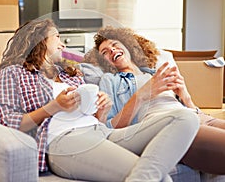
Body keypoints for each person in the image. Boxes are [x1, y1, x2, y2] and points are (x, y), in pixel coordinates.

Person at [0, 18, 199, 182]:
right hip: (64, 141)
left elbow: (95, 120)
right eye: (57, 37)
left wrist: (101, 110)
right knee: (160, 177)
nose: (62, 44)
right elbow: (5, 122)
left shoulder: (70, 74)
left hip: (101, 132)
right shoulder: (13, 73)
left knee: (185, 118)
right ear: (39, 41)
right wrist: (53, 107)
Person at [91, 25, 225, 174]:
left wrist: (185, 96)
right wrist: (142, 94)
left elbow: (190, 109)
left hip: (197, 117)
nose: (112, 50)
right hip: (169, 124)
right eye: (105, 52)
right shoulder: (110, 81)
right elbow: (110, 128)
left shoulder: (154, 72)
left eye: (115, 45)